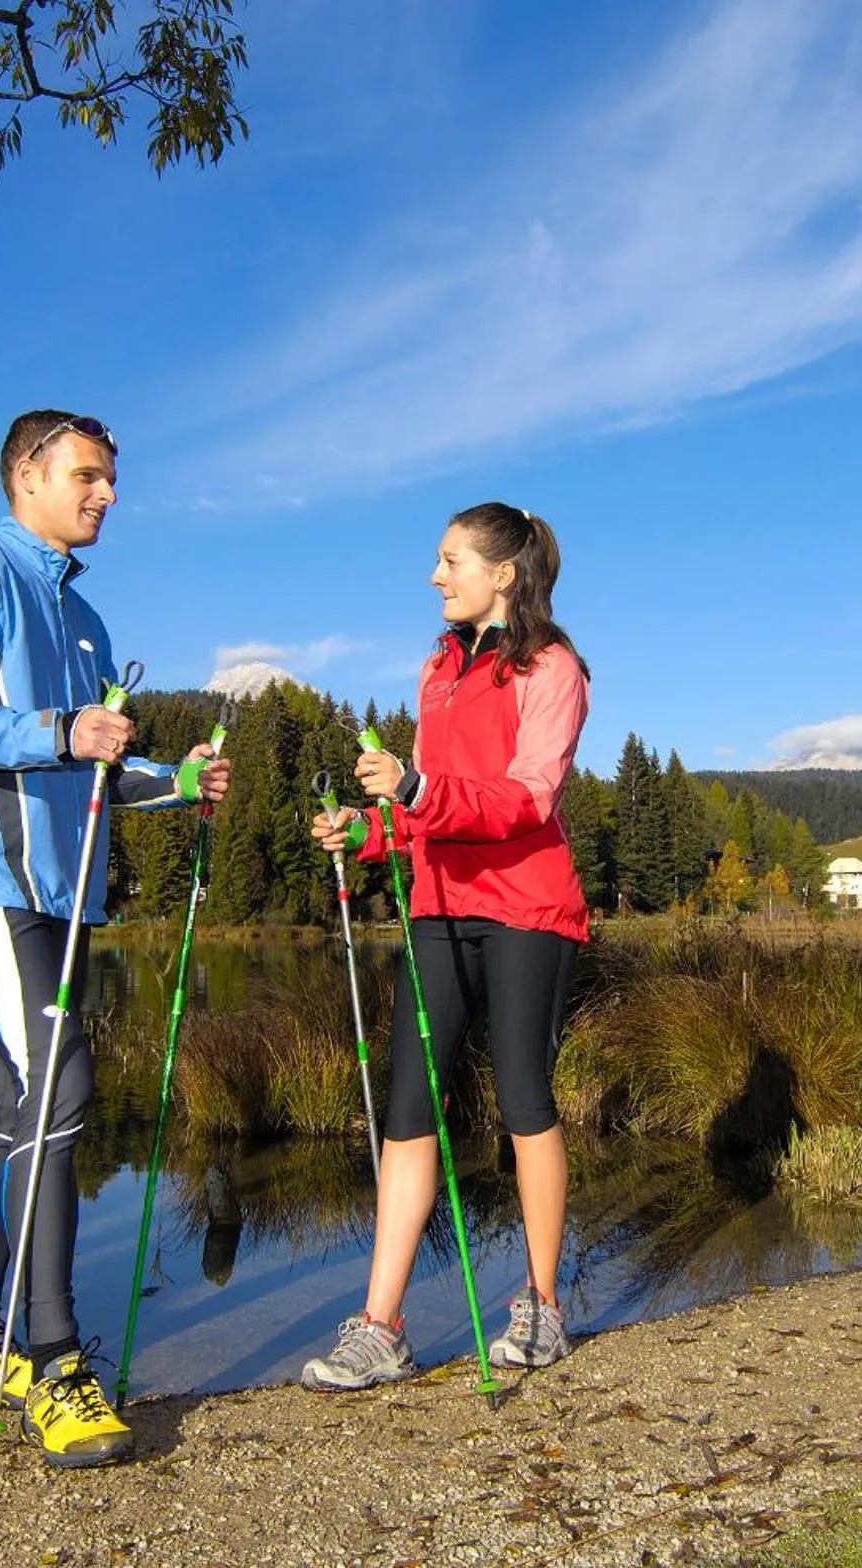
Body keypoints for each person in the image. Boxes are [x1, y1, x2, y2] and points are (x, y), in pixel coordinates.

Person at [0, 410, 230, 1467]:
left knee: (9, 1106)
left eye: (111, 479)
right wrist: (57, 729)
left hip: (63, 890)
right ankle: (52, 1360)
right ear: (27, 475)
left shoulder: (82, 618)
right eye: (88, 474)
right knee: (60, 1086)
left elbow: (91, 766)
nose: (107, 494)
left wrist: (176, 781)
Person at [300, 501, 590, 1391]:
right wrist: (368, 831)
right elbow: (423, 811)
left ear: (503, 573)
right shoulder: (437, 670)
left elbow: (529, 798)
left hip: (527, 907)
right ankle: (381, 1326)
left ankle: (542, 1306)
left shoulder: (552, 666)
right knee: (408, 1108)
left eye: (451, 560)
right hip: (438, 905)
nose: (435, 576)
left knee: (524, 1097)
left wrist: (417, 787)